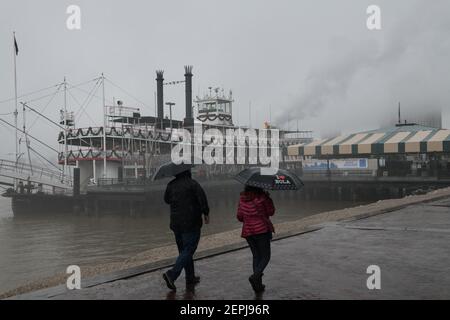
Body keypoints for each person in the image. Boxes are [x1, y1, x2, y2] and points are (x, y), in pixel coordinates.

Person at [162, 169, 209, 291]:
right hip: (191, 222)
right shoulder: (193, 184)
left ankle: (190, 277)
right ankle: (172, 274)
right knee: (188, 249)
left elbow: (166, 200)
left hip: (176, 223)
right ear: (188, 172)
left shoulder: (171, 185)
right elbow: (202, 198)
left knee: (184, 251)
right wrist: (206, 213)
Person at [237, 185, 275, 293]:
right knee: (265, 256)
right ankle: (255, 276)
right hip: (261, 230)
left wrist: (249, 217)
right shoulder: (262, 198)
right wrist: (268, 199)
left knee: (256, 256)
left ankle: (258, 285)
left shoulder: (242, 198)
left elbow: (239, 217)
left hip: (248, 232)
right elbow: (271, 212)